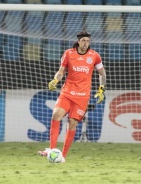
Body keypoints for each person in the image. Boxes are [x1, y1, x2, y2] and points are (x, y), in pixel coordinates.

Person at [38, 30, 106, 162]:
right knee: (56, 115)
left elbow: (102, 73)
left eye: (88, 41)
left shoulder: (95, 56)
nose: (85, 43)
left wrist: (101, 89)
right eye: (83, 41)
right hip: (67, 93)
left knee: (72, 123)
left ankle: (62, 156)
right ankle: (52, 150)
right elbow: (61, 72)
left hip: (82, 97)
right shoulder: (69, 53)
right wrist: (55, 80)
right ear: (78, 41)